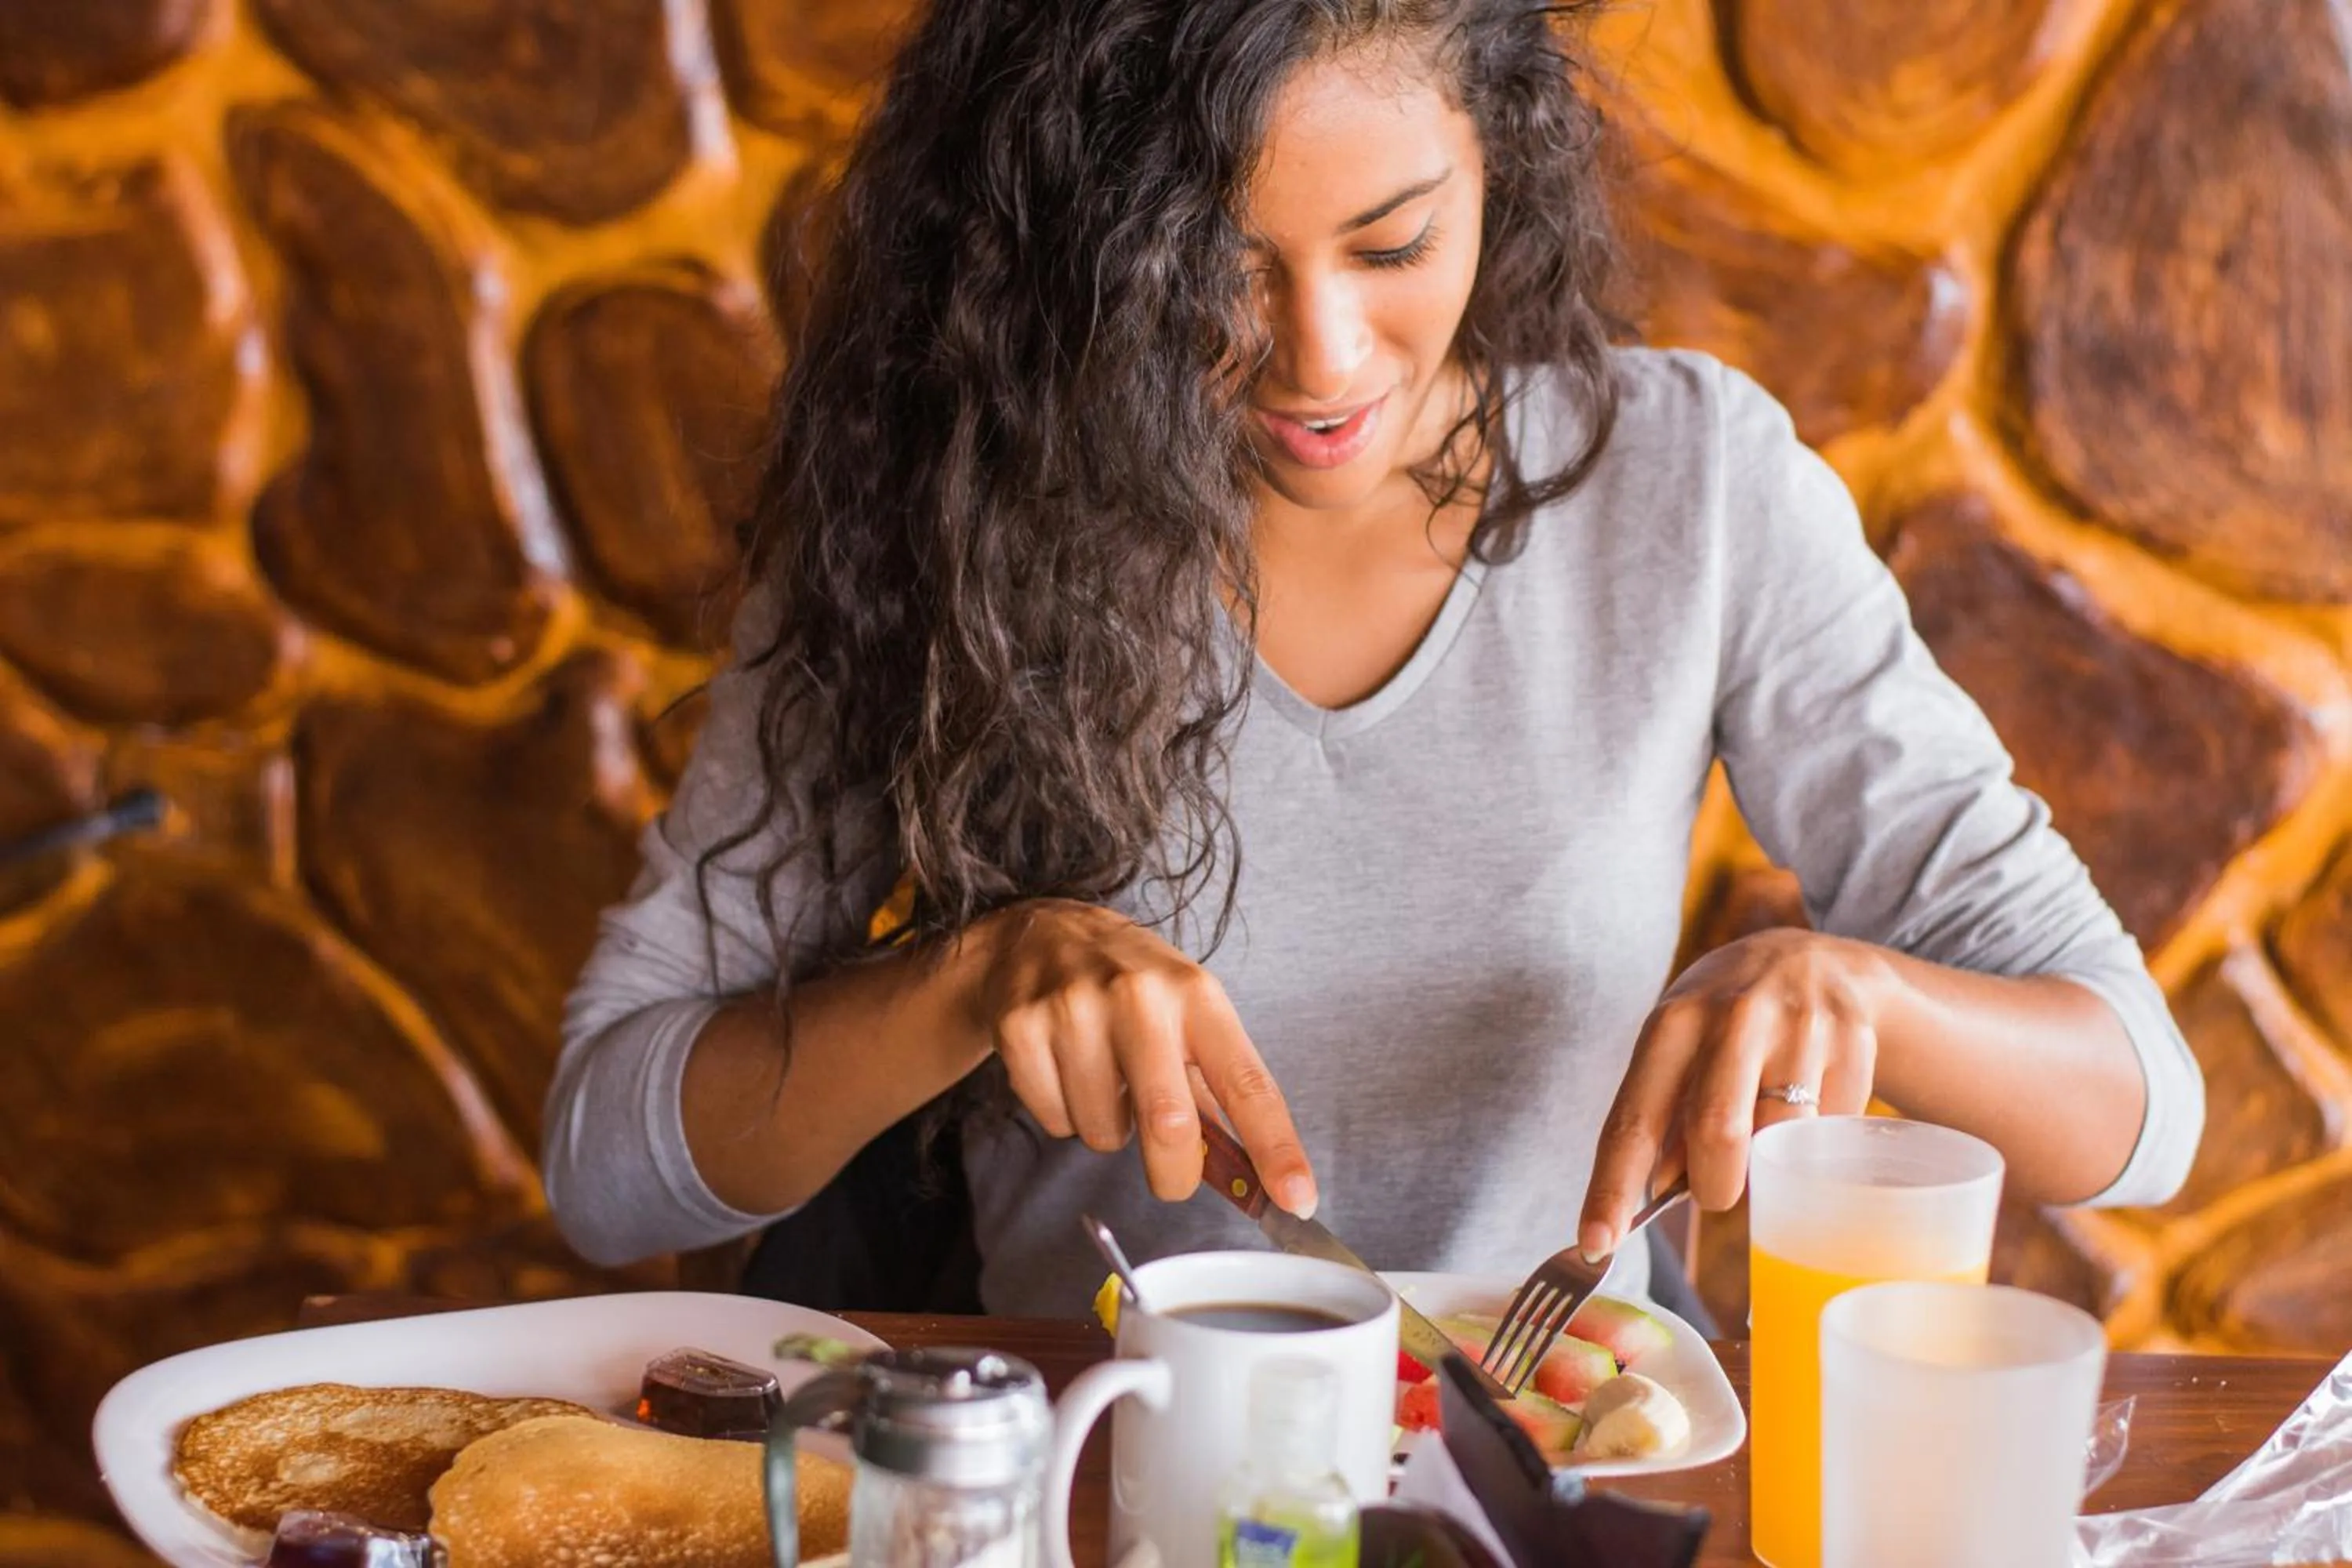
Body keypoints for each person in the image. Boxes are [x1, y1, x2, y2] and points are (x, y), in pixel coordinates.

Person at [545, 0, 2203, 1317]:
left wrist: (1869, 992)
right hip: (1106, 1458)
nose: (1320, 359)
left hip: (1575, 1458)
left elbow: (2142, 1107)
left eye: (1394, 245)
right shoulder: (947, 512)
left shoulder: (1694, 486)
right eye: (1207, 270)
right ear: (1066, 242)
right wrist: (973, 979)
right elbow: (605, 1162)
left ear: (1502, 159)